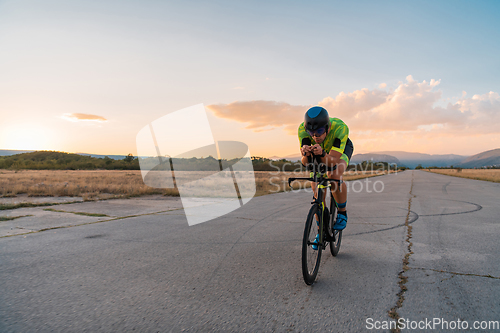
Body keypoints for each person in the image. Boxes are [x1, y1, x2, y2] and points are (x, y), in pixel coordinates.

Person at [298, 106, 354, 239]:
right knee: (316, 189)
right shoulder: (302, 129)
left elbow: (333, 161)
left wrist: (322, 153)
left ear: (327, 127)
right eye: (311, 133)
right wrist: (305, 154)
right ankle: (321, 230)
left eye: (320, 131)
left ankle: (342, 212)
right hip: (319, 152)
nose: (315, 136)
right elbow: (306, 163)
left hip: (339, 150)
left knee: (333, 175)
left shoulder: (340, 128)